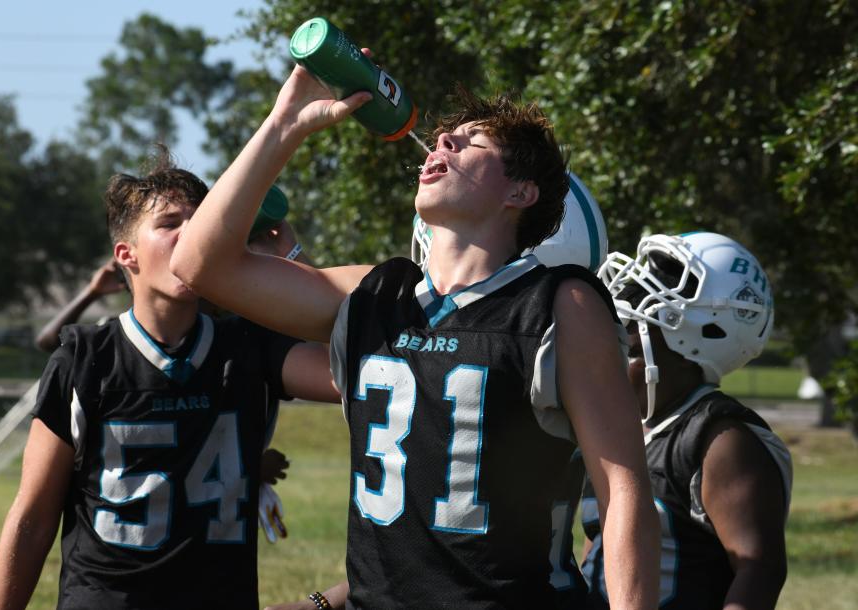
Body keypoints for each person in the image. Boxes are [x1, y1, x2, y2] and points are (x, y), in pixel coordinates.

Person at [170, 54, 659, 609]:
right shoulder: (375, 293)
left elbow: (624, 491)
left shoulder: (560, 304)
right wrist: (288, 121)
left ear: (520, 193)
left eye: (469, 141)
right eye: (445, 135)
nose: (443, 141)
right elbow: (199, 264)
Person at [0, 152, 337, 610]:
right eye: (170, 223)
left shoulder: (248, 345)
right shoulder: (87, 358)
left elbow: (359, 372)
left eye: (202, 221)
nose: (192, 233)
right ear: (126, 255)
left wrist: (287, 263)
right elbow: (32, 517)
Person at [583, 231, 793, 609]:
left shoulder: (720, 440)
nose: (608, 365)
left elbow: (759, 569)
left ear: (695, 344)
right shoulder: (614, 429)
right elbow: (598, 549)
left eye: (629, 351)